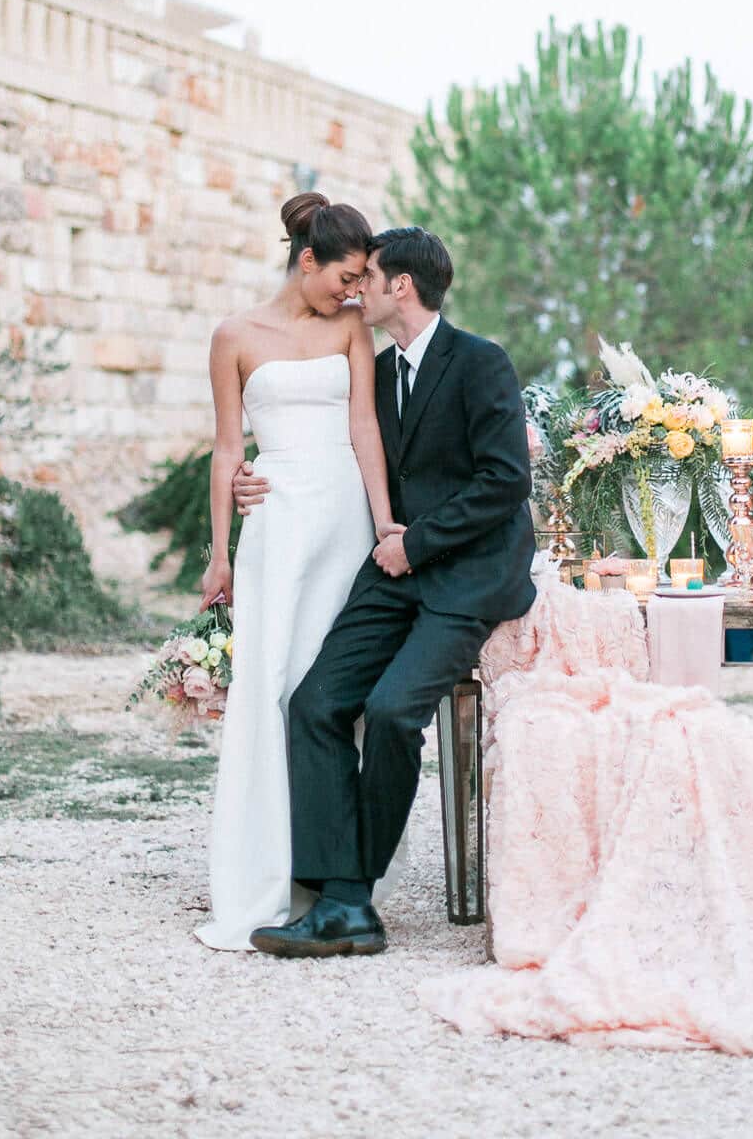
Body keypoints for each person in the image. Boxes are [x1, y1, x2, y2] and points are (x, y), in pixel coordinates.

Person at [232, 226, 535, 958]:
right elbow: (338, 448)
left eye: (366, 276)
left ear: (400, 285)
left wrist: (416, 545)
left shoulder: (479, 362)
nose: (353, 288)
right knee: (314, 703)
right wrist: (252, 478)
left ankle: (347, 900)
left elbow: (505, 481)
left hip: (465, 578)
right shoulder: (373, 367)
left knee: (393, 711)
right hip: (392, 571)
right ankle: (336, 894)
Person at [195, 191, 396, 951]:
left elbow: (363, 424)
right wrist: (220, 553)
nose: (353, 292)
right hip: (276, 522)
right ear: (305, 259)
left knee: (328, 691)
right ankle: (261, 872)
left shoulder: (349, 328)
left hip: (343, 515)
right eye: (344, 275)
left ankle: (329, 875)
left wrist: (382, 522)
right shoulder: (234, 334)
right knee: (271, 686)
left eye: (361, 279)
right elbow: (225, 449)